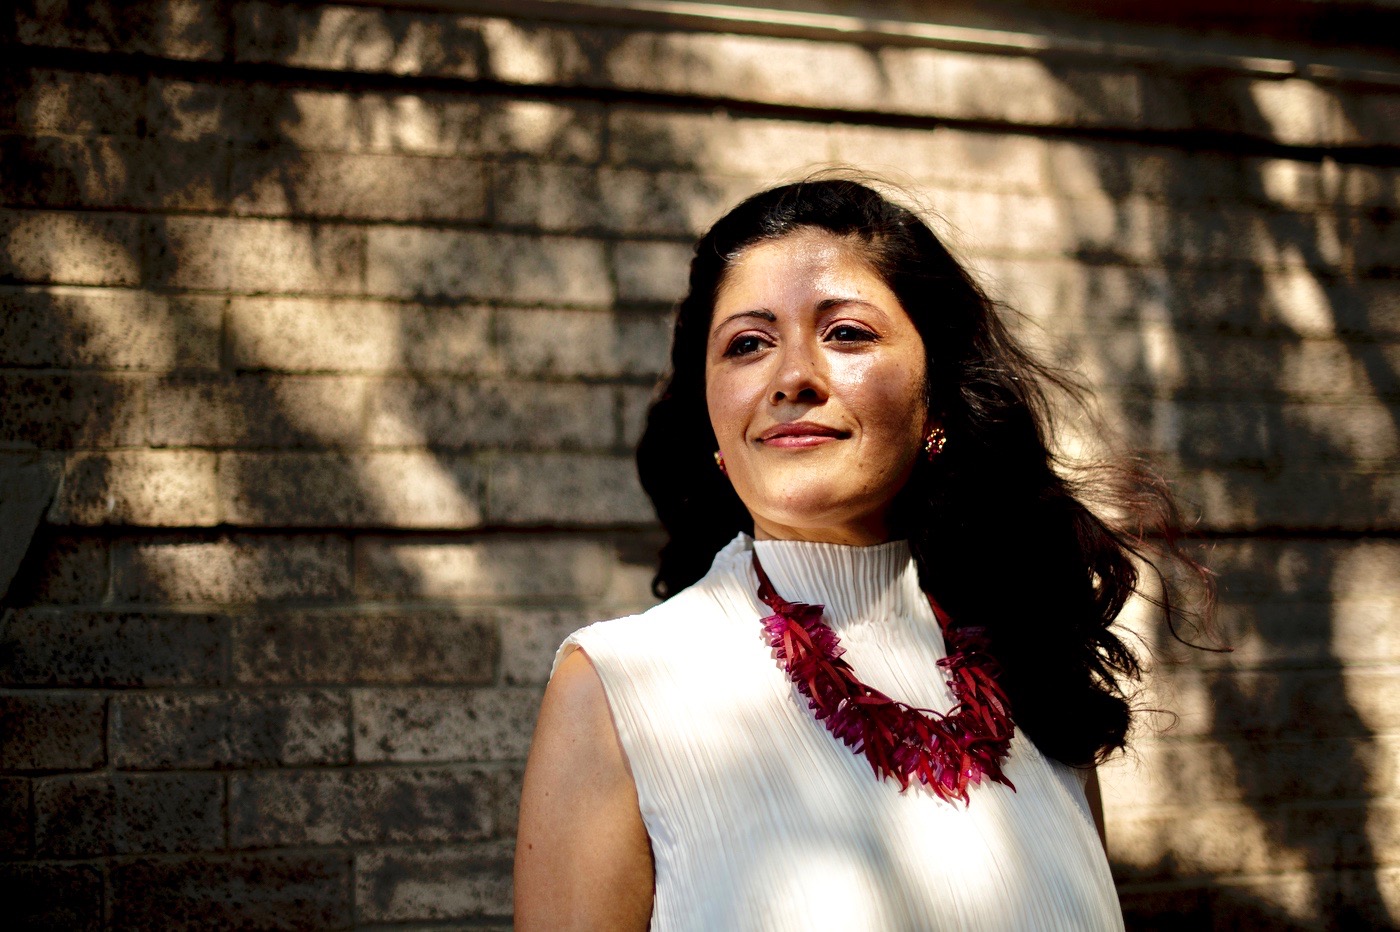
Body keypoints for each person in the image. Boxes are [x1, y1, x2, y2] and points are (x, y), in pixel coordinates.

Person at [513, 178, 1210, 930]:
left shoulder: (1027, 667)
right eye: (747, 344)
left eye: (846, 333)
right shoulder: (618, 685)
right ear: (711, 420)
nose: (792, 379)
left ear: (936, 398)